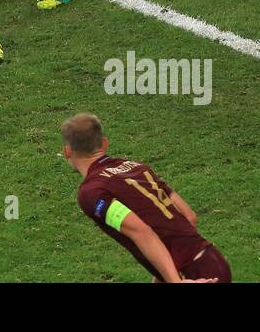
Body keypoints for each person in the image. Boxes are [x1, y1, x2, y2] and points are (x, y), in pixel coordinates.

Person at [62, 112, 230, 283]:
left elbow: (141, 231)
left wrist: (175, 280)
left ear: (67, 151)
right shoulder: (138, 168)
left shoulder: (92, 192)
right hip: (211, 261)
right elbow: (189, 217)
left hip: (191, 275)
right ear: (104, 143)